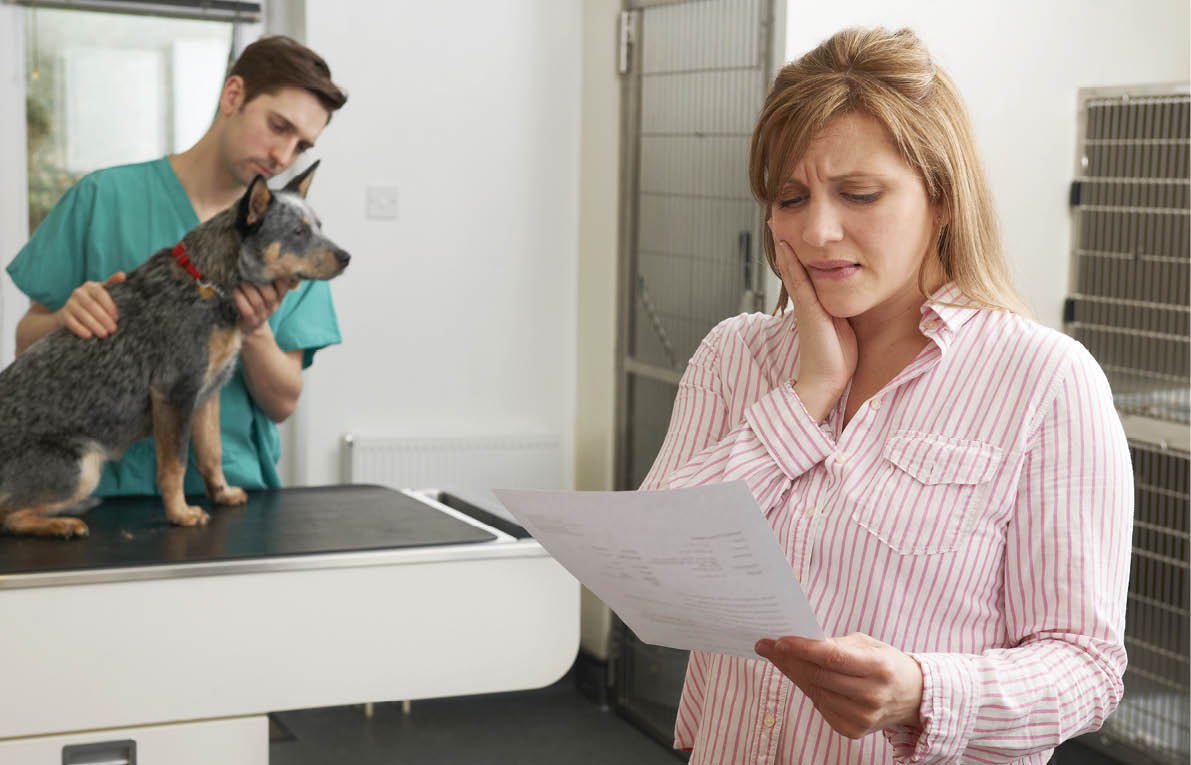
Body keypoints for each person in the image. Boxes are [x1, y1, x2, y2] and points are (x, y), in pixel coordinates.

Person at [641, 27, 1133, 764]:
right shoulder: (734, 355)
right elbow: (654, 572)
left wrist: (922, 692)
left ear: (942, 198)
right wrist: (806, 396)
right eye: (790, 197)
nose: (817, 230)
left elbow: (1085, 666)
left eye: (859, 194)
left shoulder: (1045, 380)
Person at [6, 35, 348, 496]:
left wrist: (254, 330)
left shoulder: (291, 241)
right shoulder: (101, 199)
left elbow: (282, 402)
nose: (283, 157)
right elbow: (25, 343)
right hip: (96, 492)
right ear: (233, 96)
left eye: (301, 146)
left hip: (233, 493)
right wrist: (65, 320)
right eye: (277, 126)